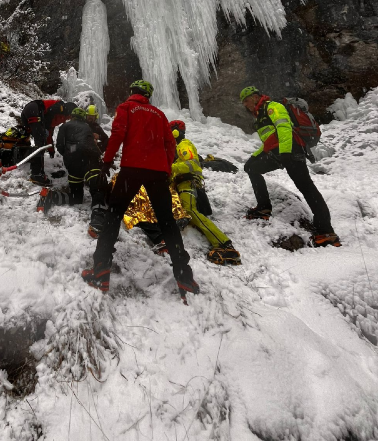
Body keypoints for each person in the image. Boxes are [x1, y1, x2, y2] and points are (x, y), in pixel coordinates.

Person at [82, 79, 199, 301]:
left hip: (132, 170)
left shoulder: (126, 108)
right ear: (148, 95)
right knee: (167, 221)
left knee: (114, 216)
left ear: (132, 92)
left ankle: (101, 271)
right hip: (157, 174)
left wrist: (106, 162)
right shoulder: (159, 114)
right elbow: (169, 144)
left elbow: (117, 135)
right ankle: (184, 275)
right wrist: (164, 169)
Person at [240, 86, 339, 247]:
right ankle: (263, 207)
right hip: (279, 154)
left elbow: (284, 128)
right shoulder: (260, 114)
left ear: (255, 96)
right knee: (251, 168)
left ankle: (326, 231)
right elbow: (270, 140)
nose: (245, 104)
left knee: (306, 187)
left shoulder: (272, 107)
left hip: (291, 152)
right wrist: (255, 156)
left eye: (246, 100)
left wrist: (285, 154)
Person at [169, 120, 241, 265]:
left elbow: (192, 163)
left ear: (175, 132)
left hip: (188, 182)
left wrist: (170, 168)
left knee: (190, 210)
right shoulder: (176, 148)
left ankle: (223, 244)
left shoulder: (183, 145)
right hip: (181, 183)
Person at [55, 106, 105, 207]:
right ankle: (98, 207)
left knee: (76, 197)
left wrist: (68, 154)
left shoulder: (64, 126)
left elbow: (60, 145)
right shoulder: (87, 127)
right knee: (96, 186)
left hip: (73, 161)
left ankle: (54, 197)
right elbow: (91, 143)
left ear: (72, 116)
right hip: (90, 157)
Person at [18, 98, 75, 186]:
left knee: (38, 140)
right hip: (34, 109)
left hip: (30, 111)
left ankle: (23, 157)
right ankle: (36, 175)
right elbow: (51, 111)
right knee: (40, 142)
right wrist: (43, 129)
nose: (67, 120)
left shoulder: (53, 120)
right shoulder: (61, 106)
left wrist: (51, 150)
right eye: (70, 117)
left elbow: (49, 136)